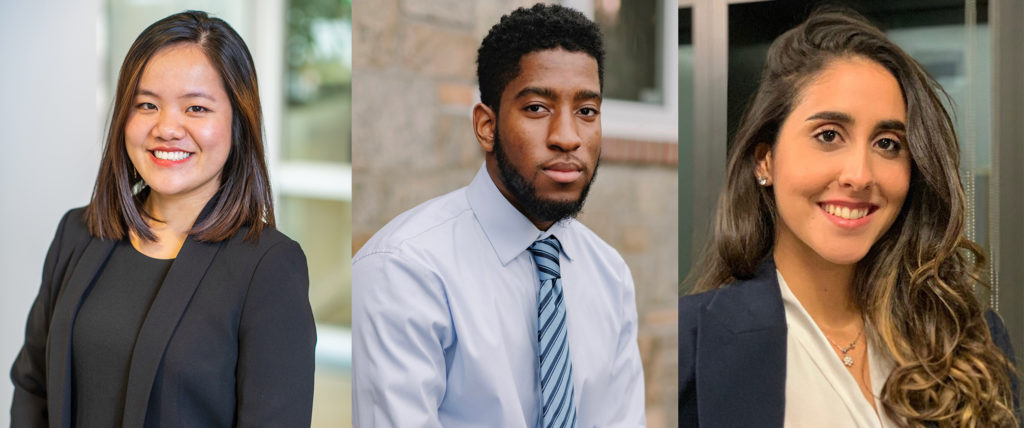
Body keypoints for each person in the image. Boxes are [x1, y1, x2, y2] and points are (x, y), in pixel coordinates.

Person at [678, 8, 1019, 427]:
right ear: (765, 160)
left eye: (889, 144)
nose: (860, 175)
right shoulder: (689, 343)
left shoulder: (970, 341)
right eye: (828, 136)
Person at [10, 11, 315, 427]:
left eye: (196, 108)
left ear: (237, 122)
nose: (167, 128)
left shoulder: (269, 267)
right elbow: (32, 387)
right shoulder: (78, 233)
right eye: (147, 104)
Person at [352, 4, 645, 427]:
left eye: (586, 112)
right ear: (486, 126)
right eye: (537, 108)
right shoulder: (404, 270)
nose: (567, 137)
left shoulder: (610, 274)